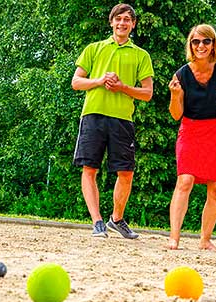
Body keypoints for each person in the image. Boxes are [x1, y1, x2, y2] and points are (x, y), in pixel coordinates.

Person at [71, 3, 154, 239]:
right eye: (119, 19)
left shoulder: (141, 55)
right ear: (111, 22)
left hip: (122, 119)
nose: (122, 23)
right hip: (93, 115)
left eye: (127, 19)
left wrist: (122, 87)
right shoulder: (94, 49)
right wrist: (99, 81)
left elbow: (147, 93)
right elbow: (76, 82)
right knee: (90, 169)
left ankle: (116, 219)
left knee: (125, 173)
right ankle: (97, 222)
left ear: (133, 25)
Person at [165, 24, 216, 251]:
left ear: (213, 44)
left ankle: (205, 240)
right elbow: (176, 114)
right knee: (185, 181)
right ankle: (174, 238)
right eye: (196, 42)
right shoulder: (181, 74)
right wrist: (175, 95)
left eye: (206, 41)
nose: (201, 46)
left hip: (215, 131)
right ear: (191, 45)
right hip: (190, 130)